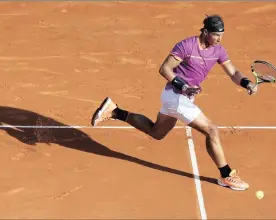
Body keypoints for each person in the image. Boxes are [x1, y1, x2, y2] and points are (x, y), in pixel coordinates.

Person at [91, 15, 257, 191]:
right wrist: (184, 86)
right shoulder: (187, 46)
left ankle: (116, 111)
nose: (219, 39)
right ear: (205, 31)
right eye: (216, 35)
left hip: (182, 98)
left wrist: (246, 82)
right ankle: (227, 175)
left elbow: (233, 72)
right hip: (176, 96)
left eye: (221, 35)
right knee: (211, 130)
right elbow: (165, 69)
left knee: (157, 132)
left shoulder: (218, 50)